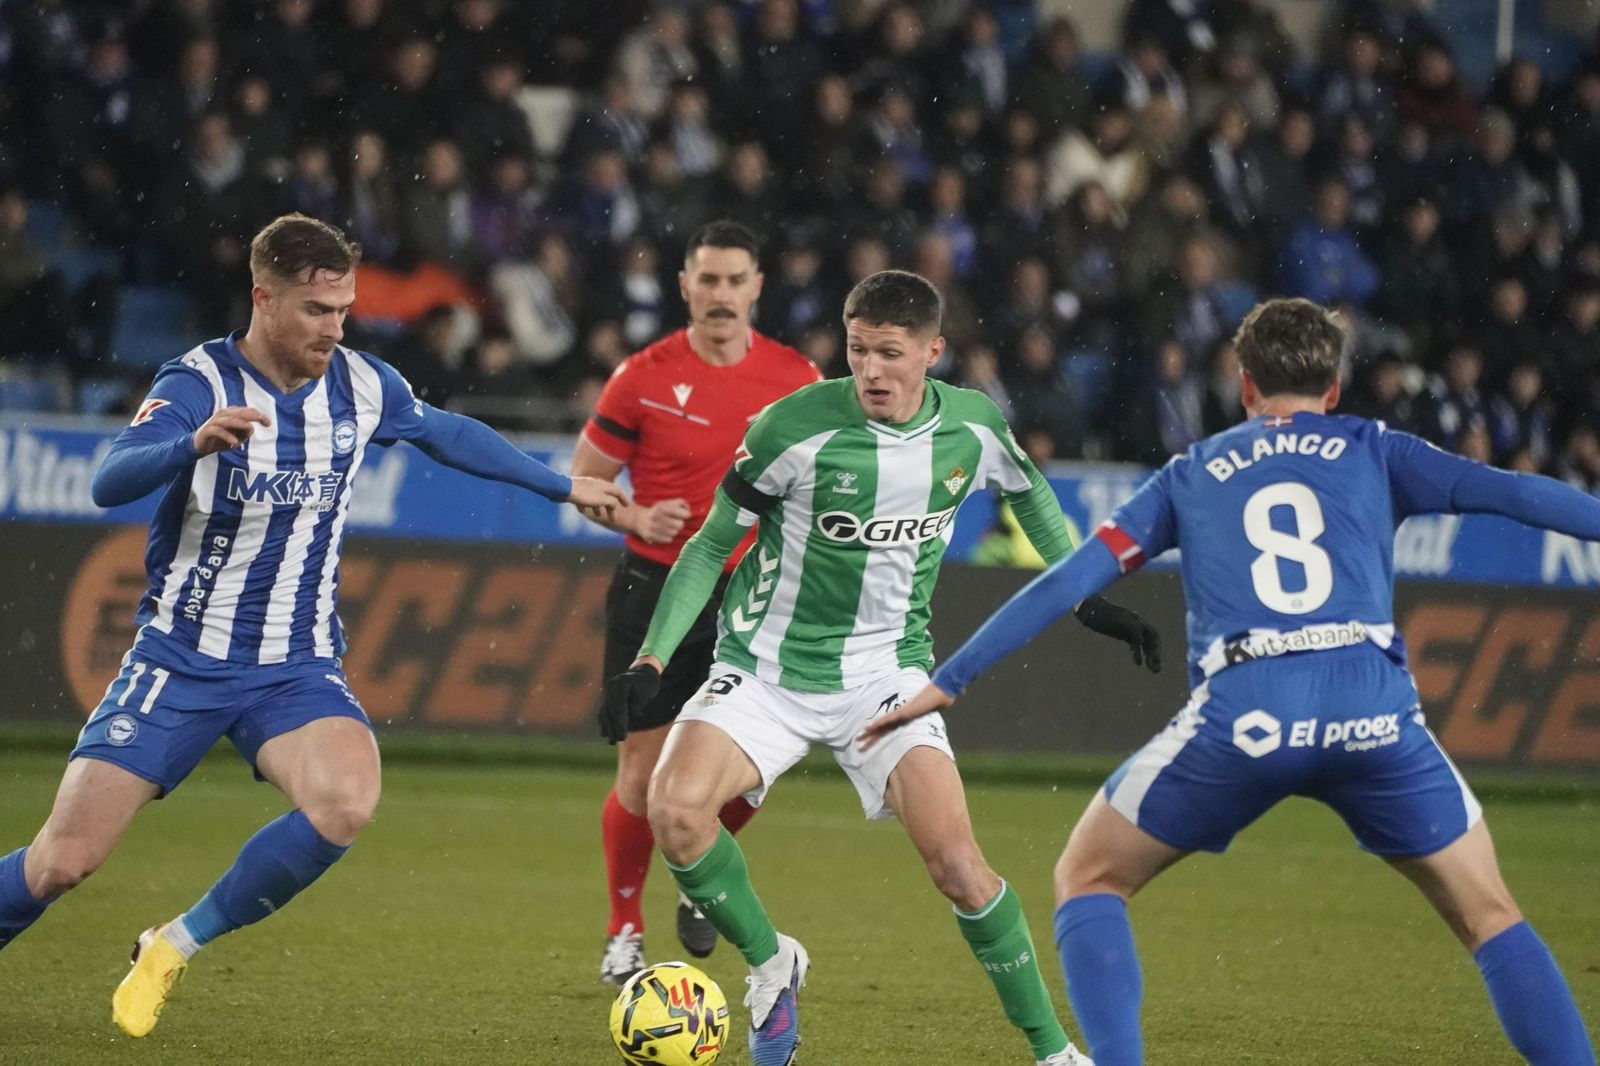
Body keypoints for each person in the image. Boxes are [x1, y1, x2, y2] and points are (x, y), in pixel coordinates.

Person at [863, 297, 1599, 1066]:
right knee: (1489, 914)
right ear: (1334, 390)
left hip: (1250, 710)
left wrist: (951, 678)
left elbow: (1069, 579)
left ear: (1245, 387)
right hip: (1372, 713)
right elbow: (1516, 494)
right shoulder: (1377, 448)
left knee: (1088, 877)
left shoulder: (1193, 472)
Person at [0, 214, 626, 1037]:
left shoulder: (362, 386)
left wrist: (560, 486)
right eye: (316, 311)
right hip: (179, 659)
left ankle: (173, 944)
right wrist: (189, 445)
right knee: (62, 862)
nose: (336, 329)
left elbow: (447, 433)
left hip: (294, 665)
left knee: (346, 802)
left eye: (343, 310)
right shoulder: (198, 383)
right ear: (264, 299)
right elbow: (109, 481)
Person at [605, 270, 1162, 1065]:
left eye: (890, 354)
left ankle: (1053, 1053)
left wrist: (1085, 593)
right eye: (858, 349)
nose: (870, 369)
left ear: (933, 353)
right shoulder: (789, 427)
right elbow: (705, 547)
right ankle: (772, 966)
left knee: (961, 870)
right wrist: (653, 657)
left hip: (886, 677)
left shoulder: (971, 427)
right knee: (675, 811)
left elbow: (1032, 492)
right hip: (763, 668)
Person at [573, 220, 821, 984]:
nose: (720, 295)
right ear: (685, 286)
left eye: (734, 280)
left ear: (756, 288)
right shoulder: (641, 377)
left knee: (749, 771)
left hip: (758, 599)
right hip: (656, 591)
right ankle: (623, 930)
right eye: (706, 280)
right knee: (643, 780)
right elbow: (587, 480)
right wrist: (635, 516)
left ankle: (698, 869)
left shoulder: (798, 380)